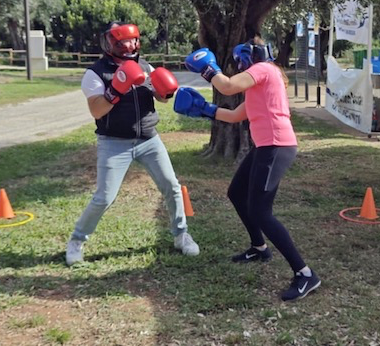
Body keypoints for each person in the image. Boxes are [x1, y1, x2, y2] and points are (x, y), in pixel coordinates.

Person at [176, 41, 321, 302]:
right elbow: (234, 115)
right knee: (236, 193)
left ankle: (305, 273)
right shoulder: (261, 83)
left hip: (276, 146)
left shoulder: (264, 69)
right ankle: (259, 247)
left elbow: (227, 86)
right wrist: (204, 110)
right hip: (266, 146)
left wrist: (208, 69)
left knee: (261, 212)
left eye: (240, 62)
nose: (240, 66)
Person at [65, 22, 200, 266]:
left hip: (149, 138)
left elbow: (161, 99)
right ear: (110, 44)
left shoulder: (145, 67)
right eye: (122, 42)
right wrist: (116, 89)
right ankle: (76, 240)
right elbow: (97, 110)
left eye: (132, 41)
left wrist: (165, 91)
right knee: (104, 198)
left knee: (171, 186)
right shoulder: (95, 73)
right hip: (114, 142)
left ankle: (181, 235)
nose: (128, 46)